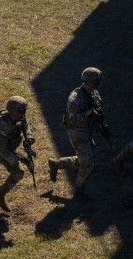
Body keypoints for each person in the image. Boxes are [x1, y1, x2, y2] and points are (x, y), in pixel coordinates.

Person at [48, 67, 105, 198]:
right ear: (89, 82)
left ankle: (57, 164)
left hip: (87, 130)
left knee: (84, 158)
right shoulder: (75, 99)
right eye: (96, 82)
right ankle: (78, 190)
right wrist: (89, 113)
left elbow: (97, 106)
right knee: (88, 163)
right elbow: (73, 119)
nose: (98, 84)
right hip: (77, 132)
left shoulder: (93, 93)